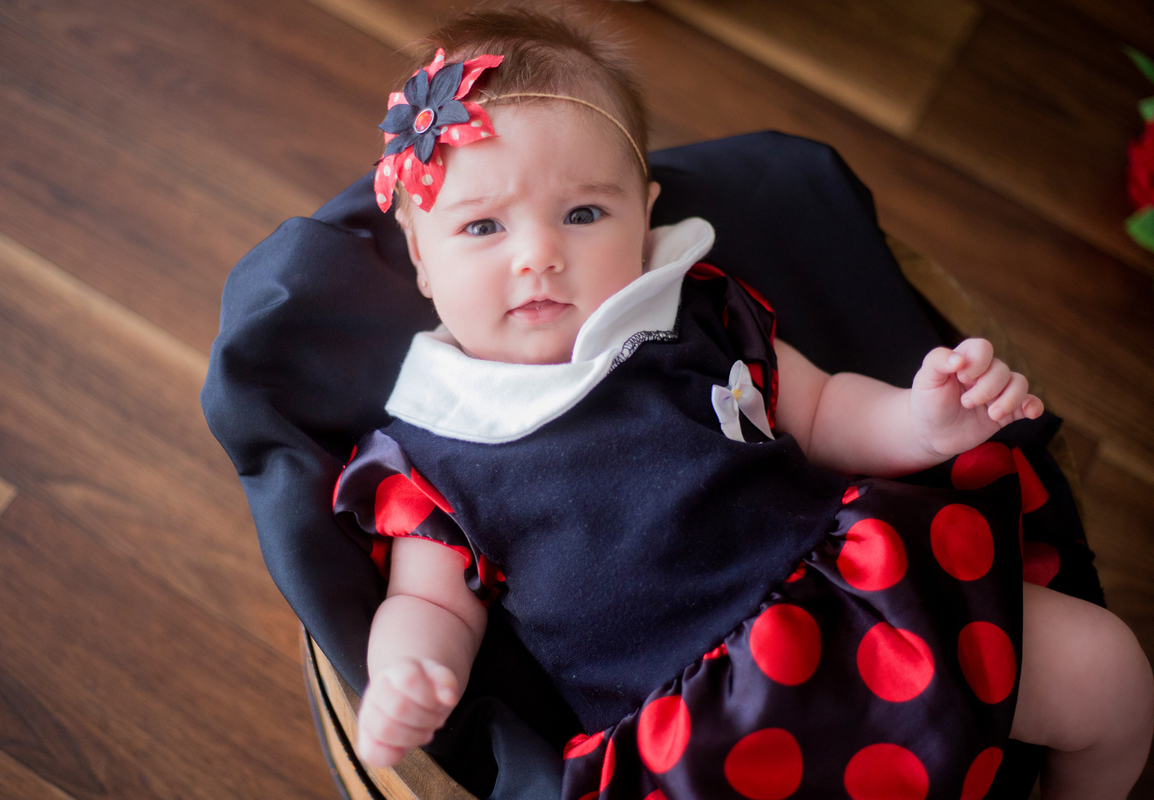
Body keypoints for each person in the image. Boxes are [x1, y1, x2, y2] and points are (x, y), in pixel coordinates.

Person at [333, 9, 1153, 798]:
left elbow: (826, 412)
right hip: (706, 740)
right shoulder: (438, 443)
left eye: (584, 213)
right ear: (421, 257)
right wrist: (411, 670)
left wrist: (922, 419)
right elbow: (427, 600)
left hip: (866, 613)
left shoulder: (698, 317)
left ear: (644, 216)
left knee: (1109, 671)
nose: (540, 255)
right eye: (483, 228)